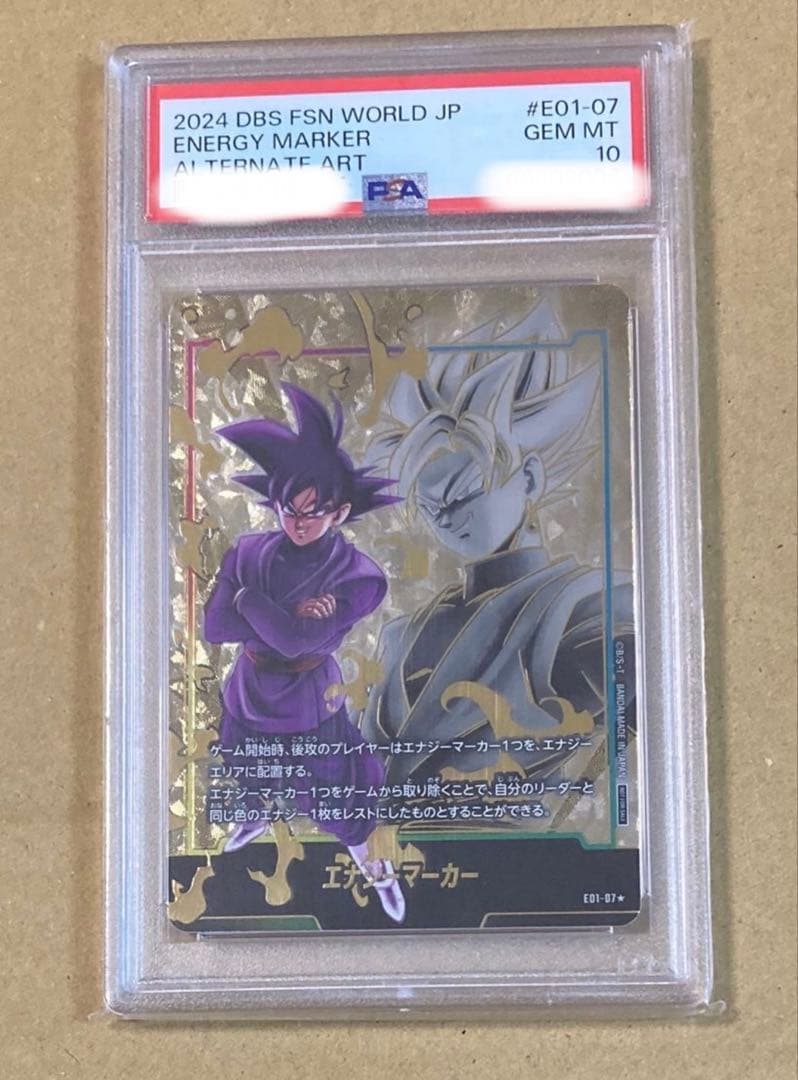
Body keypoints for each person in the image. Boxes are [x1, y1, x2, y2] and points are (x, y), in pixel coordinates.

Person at [204, 382, 405, 922]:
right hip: (248, 692)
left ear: (339, 513)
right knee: (247, 771)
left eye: (313, 512)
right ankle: (254, 814)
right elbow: (215, 627)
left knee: (337, 800)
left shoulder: (357, 575)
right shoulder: (248, 551)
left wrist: (248, 603)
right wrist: (264, 606)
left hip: (309, 703)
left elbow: (298, 641)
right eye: (289, 509)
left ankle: (376, 869)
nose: (299, 522)